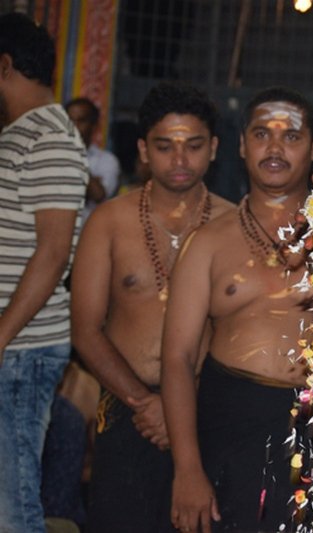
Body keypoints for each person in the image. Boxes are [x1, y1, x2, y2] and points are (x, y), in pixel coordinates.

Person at [162, 86, 313, 533]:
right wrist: (187, 469)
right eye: (261, 134)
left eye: (291, 137)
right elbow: (177, 358)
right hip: (228, 426)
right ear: (241, 145)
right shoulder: (208, 243)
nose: (274, 148)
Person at [70, 82, 230, 533]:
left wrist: (182, 402)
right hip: (128, 410)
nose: (180, 160)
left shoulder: (234, 224)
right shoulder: (109, 222)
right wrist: (147, 404)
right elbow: (84, 329)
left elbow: (238, 330)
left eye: (193, 146)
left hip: (209, 405)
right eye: (165, 146)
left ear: (214, 148)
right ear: (143, 149)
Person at [0, 12, 89, 533]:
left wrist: (2, 337)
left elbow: (53, 253)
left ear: (5, 65)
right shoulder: (22, 134)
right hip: (15, 345)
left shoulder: (50, 138)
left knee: (13, 508)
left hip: (21, 349)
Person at [65, 97, 121, 222]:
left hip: (87, 235)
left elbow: (98, 194)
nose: (74, 126)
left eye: (81, 120)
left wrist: (74, 155)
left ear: (94, 125)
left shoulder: (107, 160)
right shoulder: (51, 154)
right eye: (70, 120)